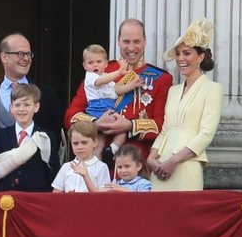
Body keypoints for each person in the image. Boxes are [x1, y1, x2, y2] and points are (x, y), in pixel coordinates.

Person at [65, 18, 173, 159]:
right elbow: (71, 115)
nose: (131, 47)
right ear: (118, 41)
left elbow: (161, 125)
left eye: (137, 41)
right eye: (126, 41)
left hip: (135, 163)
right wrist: (95, 124)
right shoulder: (100, 70)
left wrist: (130, 126)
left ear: (145, 41)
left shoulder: (161, 78)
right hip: (97, 159)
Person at [147, 18, 223, 191]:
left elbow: (205, 134)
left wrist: (173, 161)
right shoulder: (173, 90)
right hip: (160, 165)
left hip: (186, 164)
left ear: (200, 57)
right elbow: (166, 129)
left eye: (187, 53)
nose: (181, 58)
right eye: (178, 54)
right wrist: (151, 157)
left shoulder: (213, 89)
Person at [0, 33, 63, 146]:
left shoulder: (46, 93)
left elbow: (55, 134)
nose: (26, 59)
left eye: (29, 54)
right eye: (21, 54)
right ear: (4, 57)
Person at [0, 83, 60, 191]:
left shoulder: (46, 137)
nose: (22, 109)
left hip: (36, 199)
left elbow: (53, 172)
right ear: (11, 108)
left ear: (36, 107)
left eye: (26, 105)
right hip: (6, 199)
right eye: (17, 105)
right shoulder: (1, 135)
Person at [82, 44, 143, 164]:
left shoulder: (107, 77)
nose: (95, 65)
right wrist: (119, 72)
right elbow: (100, 82)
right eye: (90, 62)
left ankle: (110, 151)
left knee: (116, 133)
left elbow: (117, 90)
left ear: (106, 64)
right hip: (97, 109)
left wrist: (132, 85)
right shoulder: (90, 77)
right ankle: (103, 160)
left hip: (109, 108)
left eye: (99, 61)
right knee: (109, 136)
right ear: (85, 66)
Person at [52, 121, 110, 192]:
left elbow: (105, 195)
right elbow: (56, 192)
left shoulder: (101, 167)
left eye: (84, 143)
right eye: (75, 143)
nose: (80, 147)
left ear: (95, 142)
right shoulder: (66, 167)